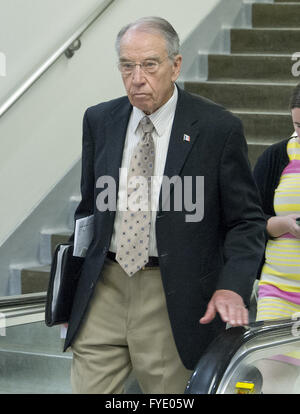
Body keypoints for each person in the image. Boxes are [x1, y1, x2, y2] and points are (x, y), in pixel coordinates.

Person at [65, 16, 266, 394]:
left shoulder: (217, 128)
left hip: (173, 295)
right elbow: (90, 212)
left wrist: (232, 286)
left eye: (149, 65)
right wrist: (72, 293)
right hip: (103, 289)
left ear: (175, 65)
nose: (137, 78)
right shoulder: (100, 120)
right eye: (127, 66)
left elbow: (246, 222)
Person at [253, 83, 300, 393]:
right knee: (273, 385)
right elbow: (248, 222)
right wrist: (281, 224)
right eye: (298, 125)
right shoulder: (275, 157)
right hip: (278, 290)